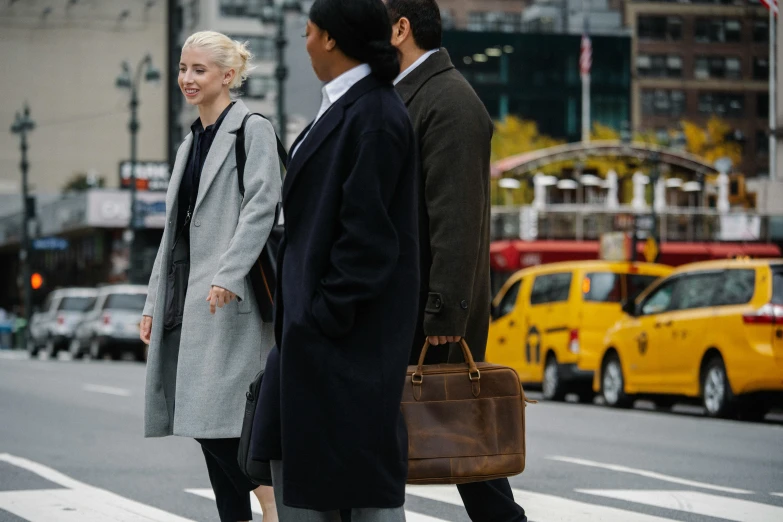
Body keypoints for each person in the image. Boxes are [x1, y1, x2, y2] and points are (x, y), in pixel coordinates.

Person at [251, 0, 419, 520]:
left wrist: (321, 316)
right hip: (320, 345)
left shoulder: (373, 114)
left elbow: (368, 241)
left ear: (329, 39)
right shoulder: (350, 105)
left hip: (345, 347)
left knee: (358, 493)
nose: (302, 43)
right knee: (314, 481)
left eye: (307, 32)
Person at [387, 1, 528, 521]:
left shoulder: (448, 101)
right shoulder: (414, 96)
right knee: (459, 444)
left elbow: (458, 215)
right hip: (411, 304)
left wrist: (444, 314)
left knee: (465, 444)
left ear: (400, 30)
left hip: (430, 312)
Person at [139, 31, 281, 522]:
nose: (186, 79)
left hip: (231, 301)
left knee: (220, 419)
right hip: (191, 302)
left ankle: (269, 498)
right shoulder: (189, 143)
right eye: (183, 68)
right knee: (204, 422)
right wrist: (153, 303)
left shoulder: (251, 129)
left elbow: (262, 207)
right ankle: (248, 507)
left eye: (199, 70)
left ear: (227, 75)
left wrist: (229, 272)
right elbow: (172, 234)